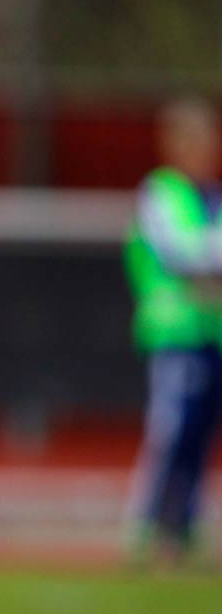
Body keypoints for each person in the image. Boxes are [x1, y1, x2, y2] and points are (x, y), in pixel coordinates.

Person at [125, 97, 222, 563]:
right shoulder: (161, 192)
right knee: (171, 430)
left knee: (202, 435)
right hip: (175, 333)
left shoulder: (214, 197)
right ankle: (148, 526)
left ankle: (183, 529)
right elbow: (181, 255)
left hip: (212, 333)